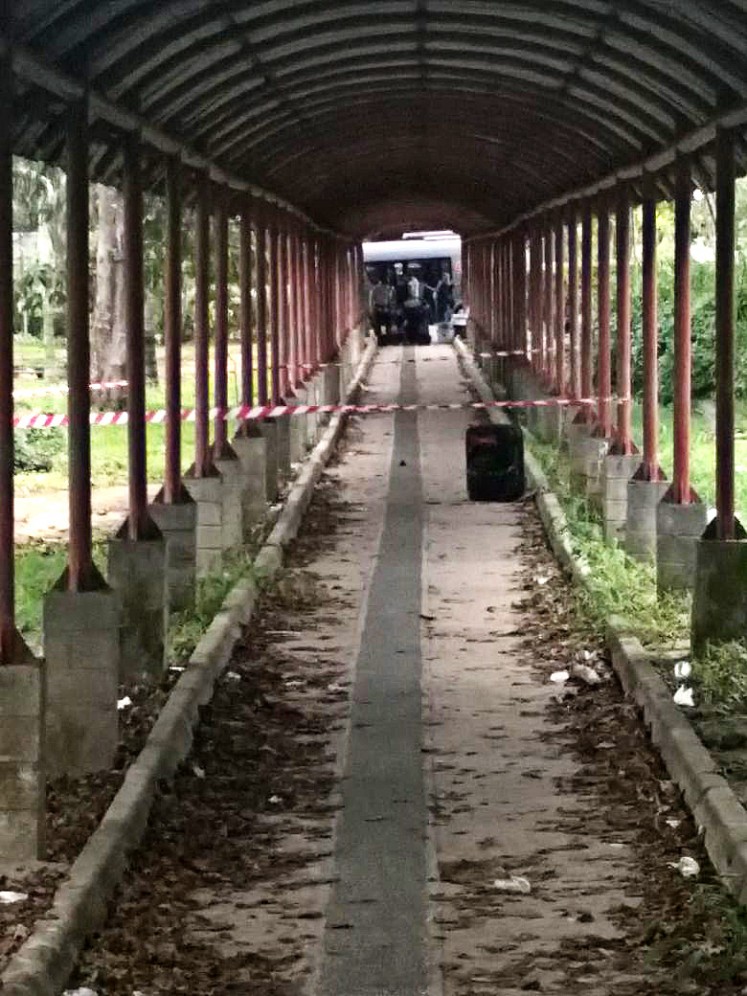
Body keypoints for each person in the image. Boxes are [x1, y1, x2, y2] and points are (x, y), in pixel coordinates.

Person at [369, 275, 393, 343]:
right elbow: (390, 299)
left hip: (378, 307)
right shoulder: (389, 289)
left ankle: (380, 339)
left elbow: (373, 299)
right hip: (386, 308)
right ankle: (388, 339)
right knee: (388, 324)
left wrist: (372, 308)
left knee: (378, 324)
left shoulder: (376, 288)